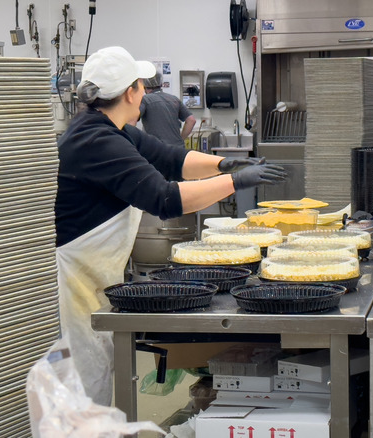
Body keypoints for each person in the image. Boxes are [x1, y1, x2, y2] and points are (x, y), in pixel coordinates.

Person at [54, 46, 286, 405]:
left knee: (97, 373)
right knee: (84, 385)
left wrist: (227, 165)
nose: (145, 92)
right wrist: (236, 183)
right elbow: (164, 198)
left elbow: (172, 158)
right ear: (130, 92)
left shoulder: (111, 129)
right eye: (141, 85)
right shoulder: (95, 141)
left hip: (94, 274)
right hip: (74, 282)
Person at [138, 70, 196, 147]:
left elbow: (132, 118)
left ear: (144, 85)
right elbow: (191, 120)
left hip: (158, 149)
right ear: (161, 84)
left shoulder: (145, 100)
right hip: (177, 149)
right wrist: (180, 139)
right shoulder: (174, 99)